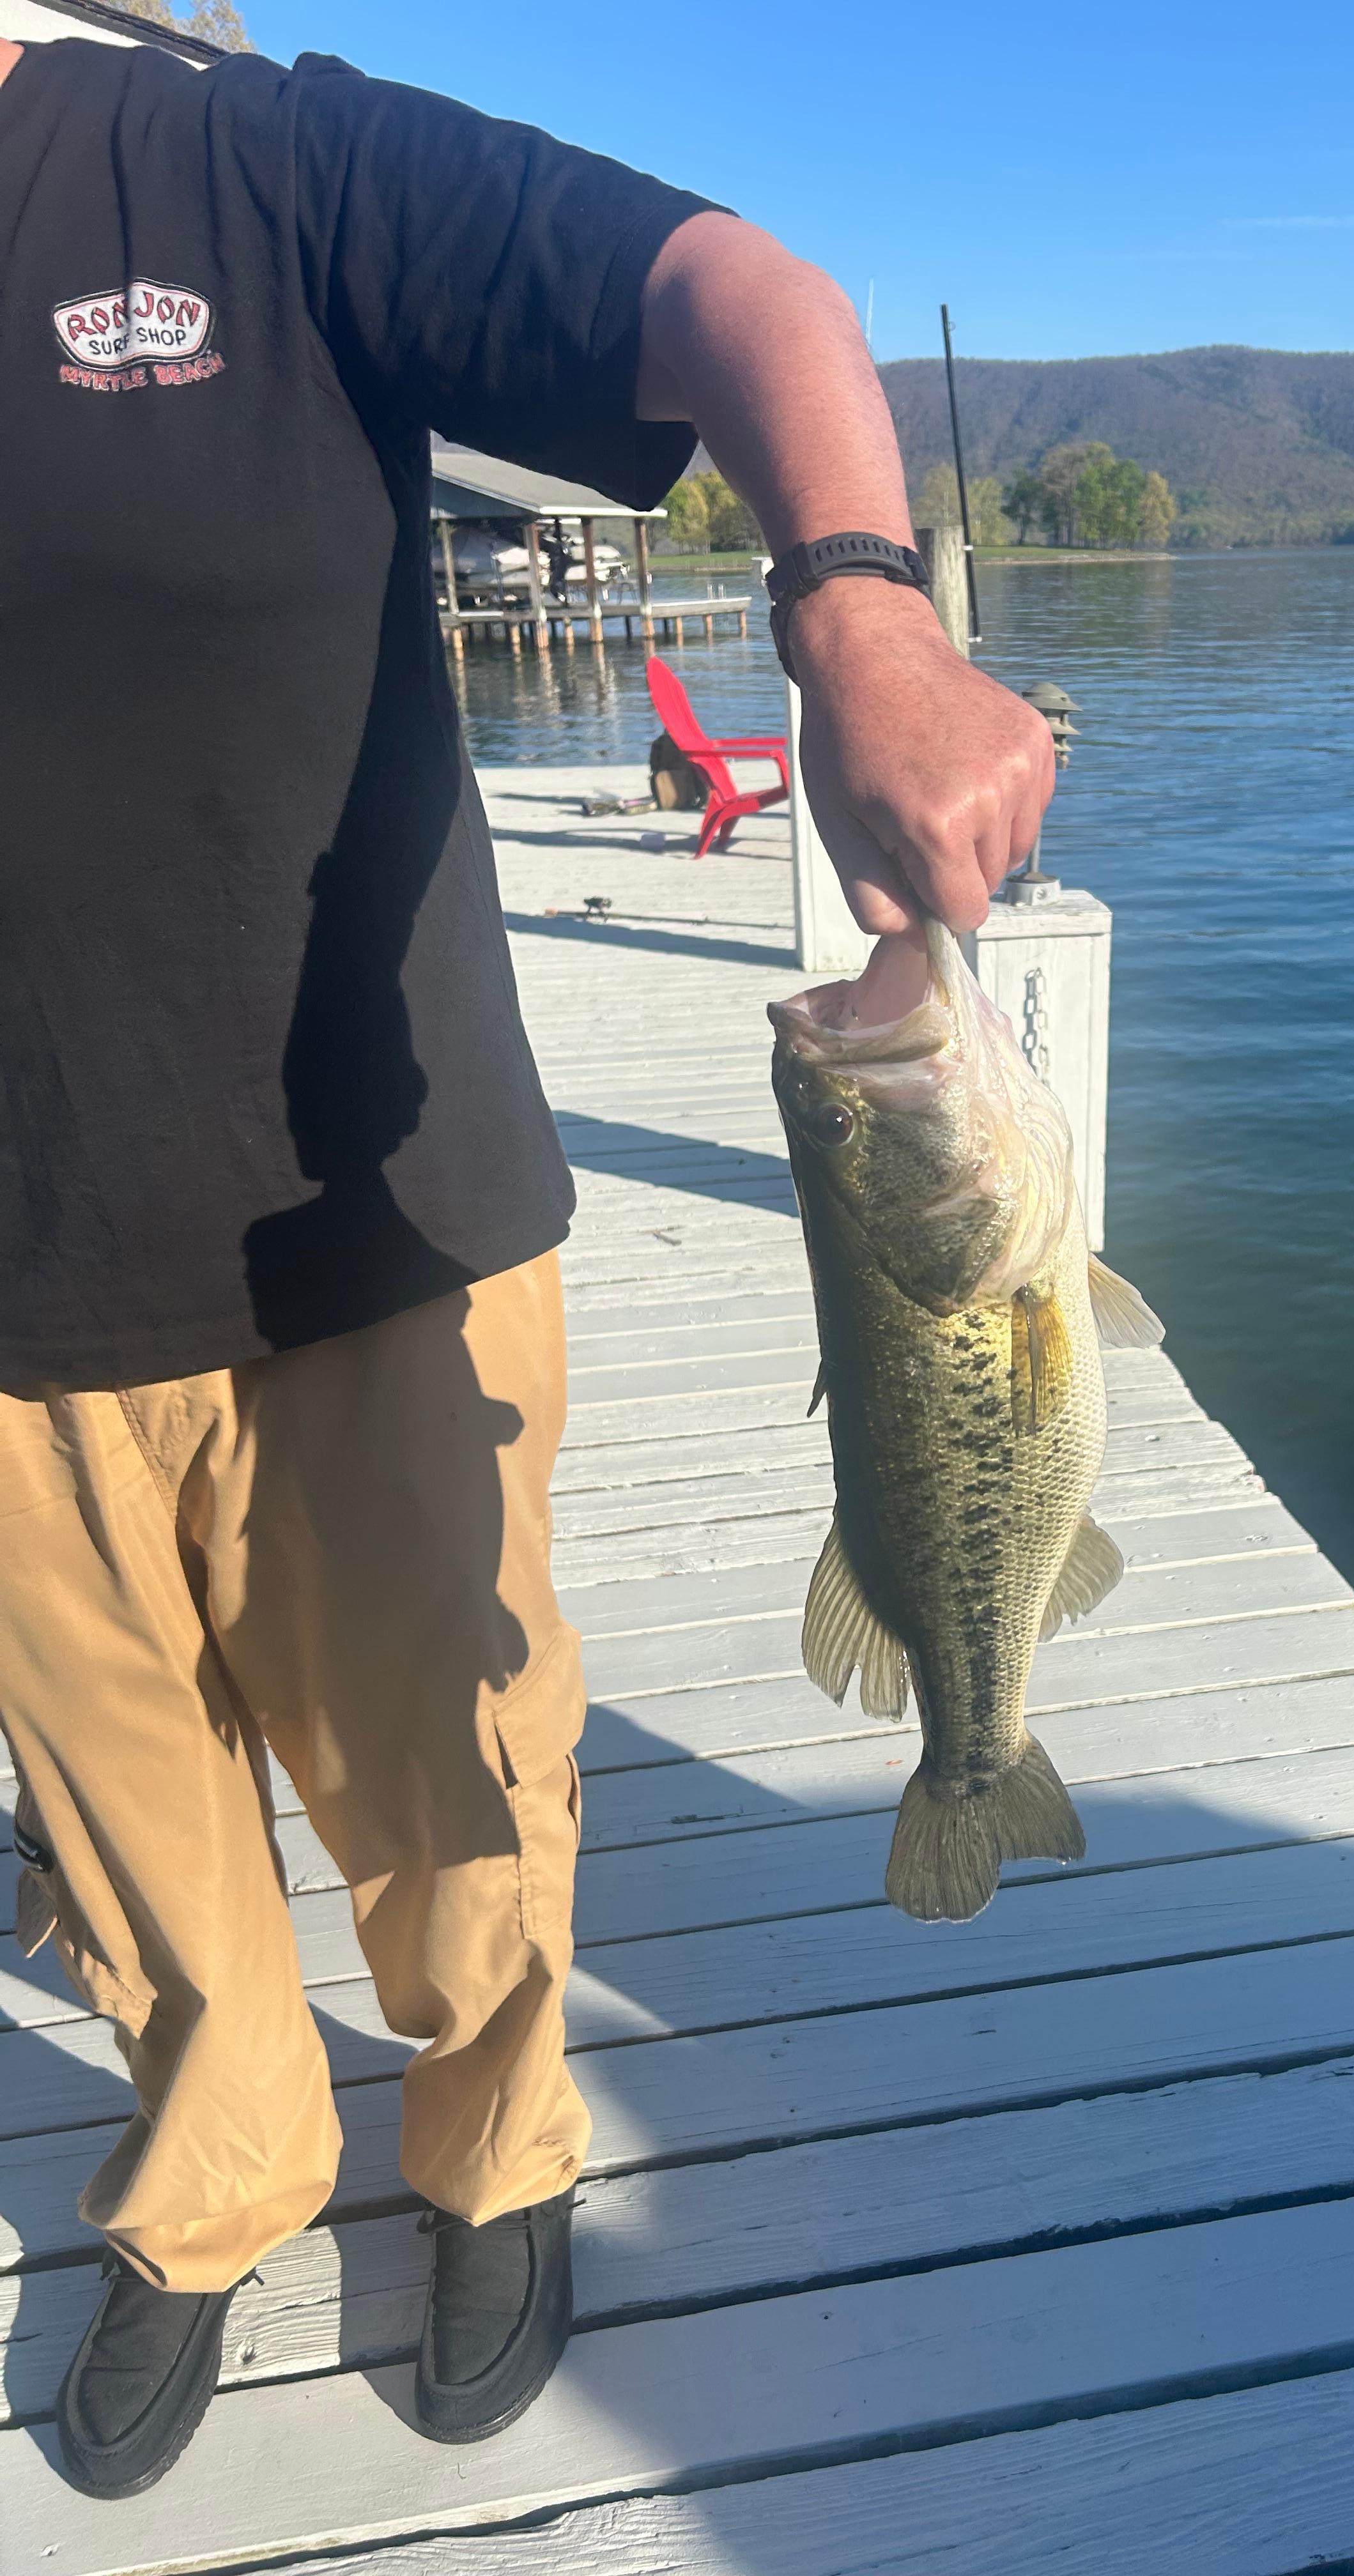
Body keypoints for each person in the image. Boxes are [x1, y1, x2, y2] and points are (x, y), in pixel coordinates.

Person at [0, 29, 1052, 2500]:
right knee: (123, 1819)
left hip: (370, 1232)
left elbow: (733, 293)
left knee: (452, 1786)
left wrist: (862, 610)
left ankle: (493, 2142)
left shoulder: (235, 155)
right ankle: (223, 2163)